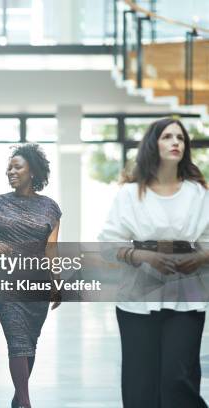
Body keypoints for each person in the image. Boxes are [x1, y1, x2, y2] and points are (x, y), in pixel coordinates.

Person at [99, 117, 209, 408]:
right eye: (167, 137)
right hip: (137, 298)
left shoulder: (199, 193)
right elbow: (108, 243)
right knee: (140, 384)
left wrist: (199, 257)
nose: (176, 142)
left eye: (181, 138)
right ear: (153, 144)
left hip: (187, 297)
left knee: (177, 379)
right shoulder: (129, 194)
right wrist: (141, 255)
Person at [0, 144, 61, 408]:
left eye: (17, 167)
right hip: (5, 283)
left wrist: (56, 284)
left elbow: (51, 250)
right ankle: (25, 403)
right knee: (17, 340)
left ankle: (17, 399)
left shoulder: (50, 208)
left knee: (29, 342)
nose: (11, 171)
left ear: (32, 171)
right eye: (9, 167)